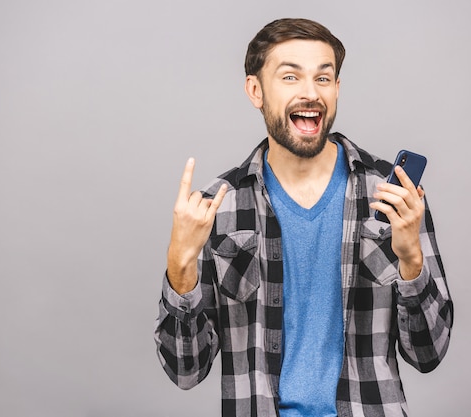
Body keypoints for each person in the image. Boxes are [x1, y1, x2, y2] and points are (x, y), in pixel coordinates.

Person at [154, 17, 453, 417]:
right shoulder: (217, 206)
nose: (311, 93)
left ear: (338, 89)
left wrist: (412, 261)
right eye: (290, 77)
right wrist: (180, 266)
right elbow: (185, 369)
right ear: (255, 90)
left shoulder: (394, 195)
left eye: (323, 79)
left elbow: (428, 353)